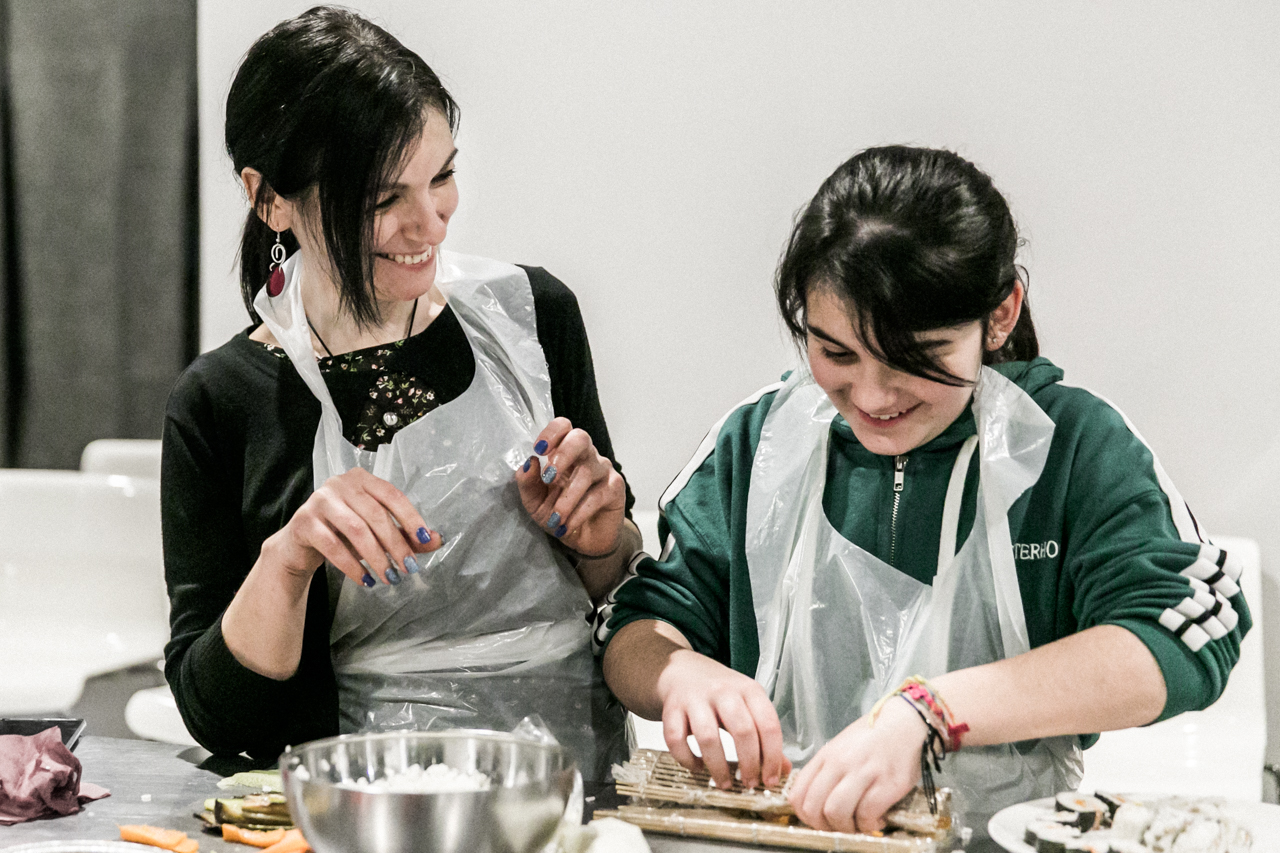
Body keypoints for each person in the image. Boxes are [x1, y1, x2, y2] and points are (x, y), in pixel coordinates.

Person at [598, 146, 1249, 843]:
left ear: (1000, 316)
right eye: (837, 354)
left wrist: (931, 711)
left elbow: (1180, 637)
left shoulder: (1073, 446)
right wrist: (682, 675)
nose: (873, 397)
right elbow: (638, 620)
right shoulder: (760, 443)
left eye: (915, 358)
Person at [162, 6, 638, 781]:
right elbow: (220, 716)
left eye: (442, 177)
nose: (431, 224)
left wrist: (603, 539)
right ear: (270, 199)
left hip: (566, 792)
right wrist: (288, 561)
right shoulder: (223, 402)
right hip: (356, 807)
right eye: (384, 200)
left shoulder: (531, 321)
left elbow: (620, 593)